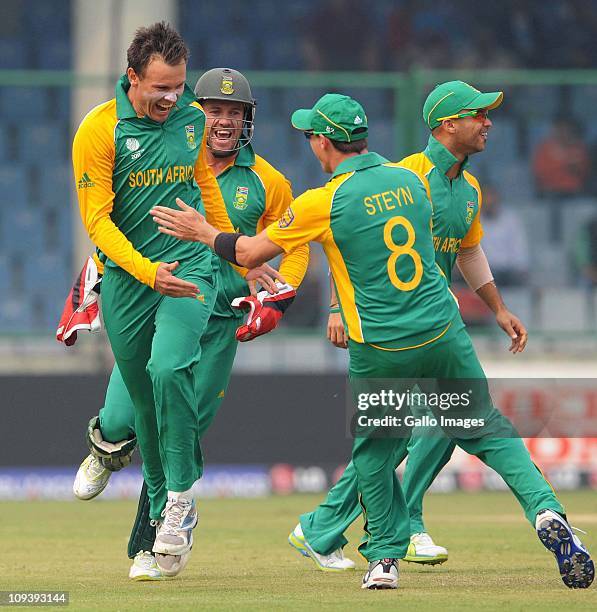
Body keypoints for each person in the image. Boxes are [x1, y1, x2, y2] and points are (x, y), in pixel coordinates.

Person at [151, 91, 594, 591]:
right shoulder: (412, 182)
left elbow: (251, 253)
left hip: (381, 345)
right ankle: (545, 512)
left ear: (323, 144)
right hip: (442, 330)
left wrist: (202, 231)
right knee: (487, 429)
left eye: (310, 135)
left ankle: (383, 559)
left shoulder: (323, 201)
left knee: (376, 451)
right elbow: (443, 249)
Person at [68, 66, 309, 579]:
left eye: (233, 112)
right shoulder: (170, 149)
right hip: (153, 303)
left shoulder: (269, 181)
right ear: (193, 114)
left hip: (217, 322)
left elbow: (294, 247)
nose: (222, 121)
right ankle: (107, 451)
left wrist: (278, 298)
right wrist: (91, 280)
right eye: (213, 111)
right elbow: (120, 221)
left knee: (178, 427)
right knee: (119, 420)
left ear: (247, 119)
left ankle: (152, 545)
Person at [292, 81, 531, 570]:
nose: (488, 121)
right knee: (414, 428)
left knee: (431, 426)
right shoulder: (406, 176)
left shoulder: (469, 188)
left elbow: (468, 249)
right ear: (446, 123)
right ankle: (388, 526)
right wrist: (338, 308)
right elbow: (356, 244)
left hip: (433, 326)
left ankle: (327, 527)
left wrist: (499, 308)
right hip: (392, 328)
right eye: (478, 113)